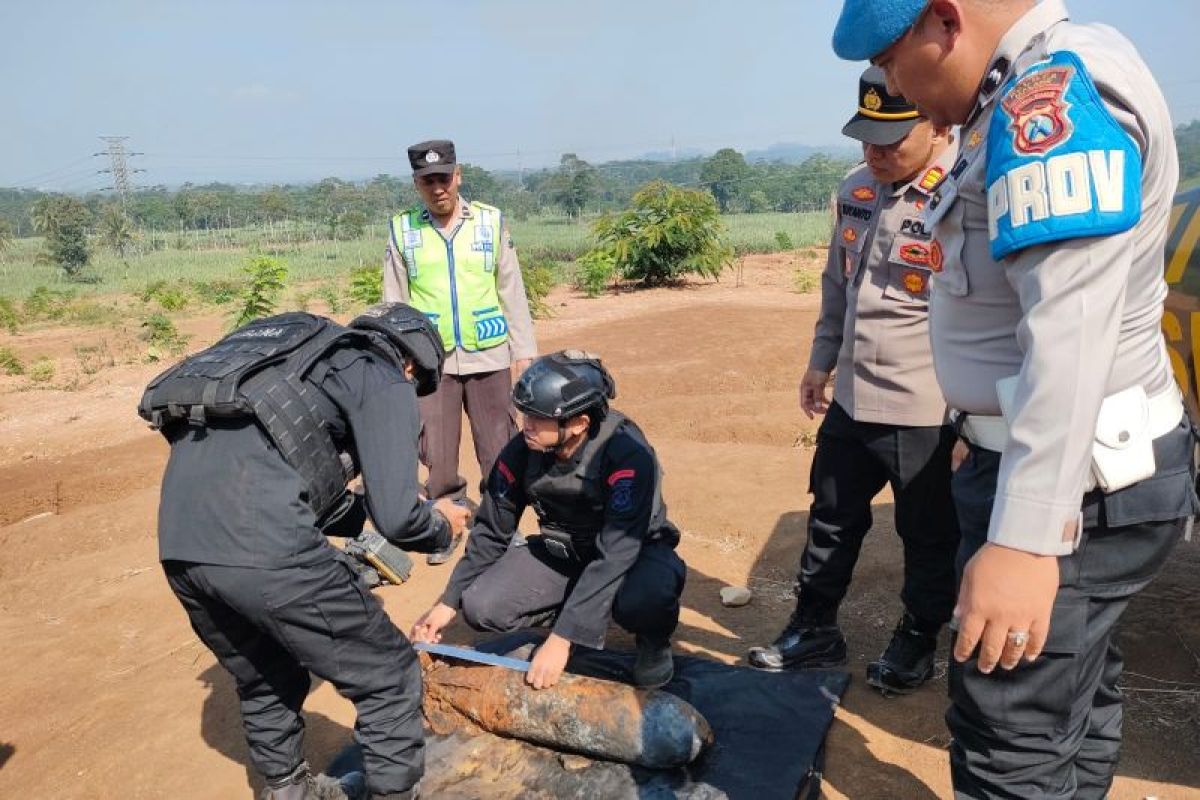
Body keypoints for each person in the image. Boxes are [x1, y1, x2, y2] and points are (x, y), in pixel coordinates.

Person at [833, 0, 1197, 796]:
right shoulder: (1023, 88)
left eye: (892, 60)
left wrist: (1030, 538)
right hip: (1075, 462)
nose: (891, 83)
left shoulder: (1052, 97)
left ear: (943, 21)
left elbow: (1069, 331)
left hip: (1078, 488)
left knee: (1011, 733)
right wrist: (981, 422)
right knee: (1076, 702)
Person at [140, 303, 472, 800]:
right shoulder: (380, 376)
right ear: (411, 363)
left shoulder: (295, 366)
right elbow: (400, 516)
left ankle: (287, 791)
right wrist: (441, 528)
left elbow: (326, 499)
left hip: (183, 547)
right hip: (268, 548)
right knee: (389, 673)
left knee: (267, 675)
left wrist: (377, 509)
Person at [747, 67, 961, 697]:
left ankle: (919, 637)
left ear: (936, 123)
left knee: (927, 534)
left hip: (928, 408)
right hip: (853, 398)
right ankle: (814, 627)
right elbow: (838, 286)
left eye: (892, 138)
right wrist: (820, 360)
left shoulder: (962, 195)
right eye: (866, 137)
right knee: (832, 518)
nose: (875, 151)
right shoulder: (855, 190)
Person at [410, 351, 687, 690]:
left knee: (646, 598)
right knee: (482, 605)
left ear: (579, 423)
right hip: (567, 551)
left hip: (631, 554)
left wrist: (562, 639)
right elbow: (492, 532)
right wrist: (447, 601)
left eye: (538, 418)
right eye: (525, 413)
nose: (525, 423)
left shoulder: (628, 454)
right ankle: (576, 613)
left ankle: (653, 643)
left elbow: (617, 552)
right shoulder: (522, 450)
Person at [384, 139, 538, 562]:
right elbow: (393, 302)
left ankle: (501, 529)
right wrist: (401, 360)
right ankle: (446, 525)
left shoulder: (490, 223)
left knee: (499, 448)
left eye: (444, 178)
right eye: (428, 180)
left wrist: (524, 353)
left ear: (459, 176)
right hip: (431, 363)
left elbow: (513, 292)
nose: (438, 188)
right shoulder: (403, 231)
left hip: (489, 356)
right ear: (416, 183)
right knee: (437, 452)